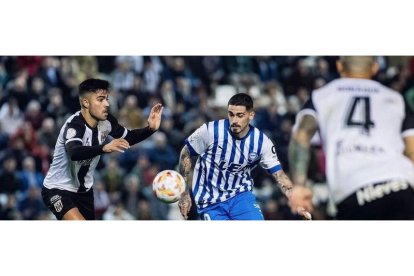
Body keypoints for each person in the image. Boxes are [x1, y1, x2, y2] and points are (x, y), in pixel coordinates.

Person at [289, 56, 414, 220]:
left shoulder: (321, 95)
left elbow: (302, 135)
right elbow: (411, 150)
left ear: (340, 66)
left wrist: (299, 186)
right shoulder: (395, 98)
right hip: (400, 184)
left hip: (354, 190)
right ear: (375, 68)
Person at [41, 78, 163, 220]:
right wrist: (104, 148)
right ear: (85, 102)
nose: (107, 104)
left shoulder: (107, 122)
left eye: (107, 99)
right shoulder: (74, 125)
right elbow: (74, 152)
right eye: (100, 99)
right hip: (58, 188)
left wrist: (150, 129)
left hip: (84, 191)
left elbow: (128, 137)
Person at [177, 93, 312, 220]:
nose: (234, 120)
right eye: (231, 114)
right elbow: (186, 152)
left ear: (251, 115)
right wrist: (183, 193)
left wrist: (295, 199)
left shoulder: (261, 142)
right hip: (209, 201)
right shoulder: (210, 131)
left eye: (240, 115)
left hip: (241, 197)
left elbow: (279, 175)